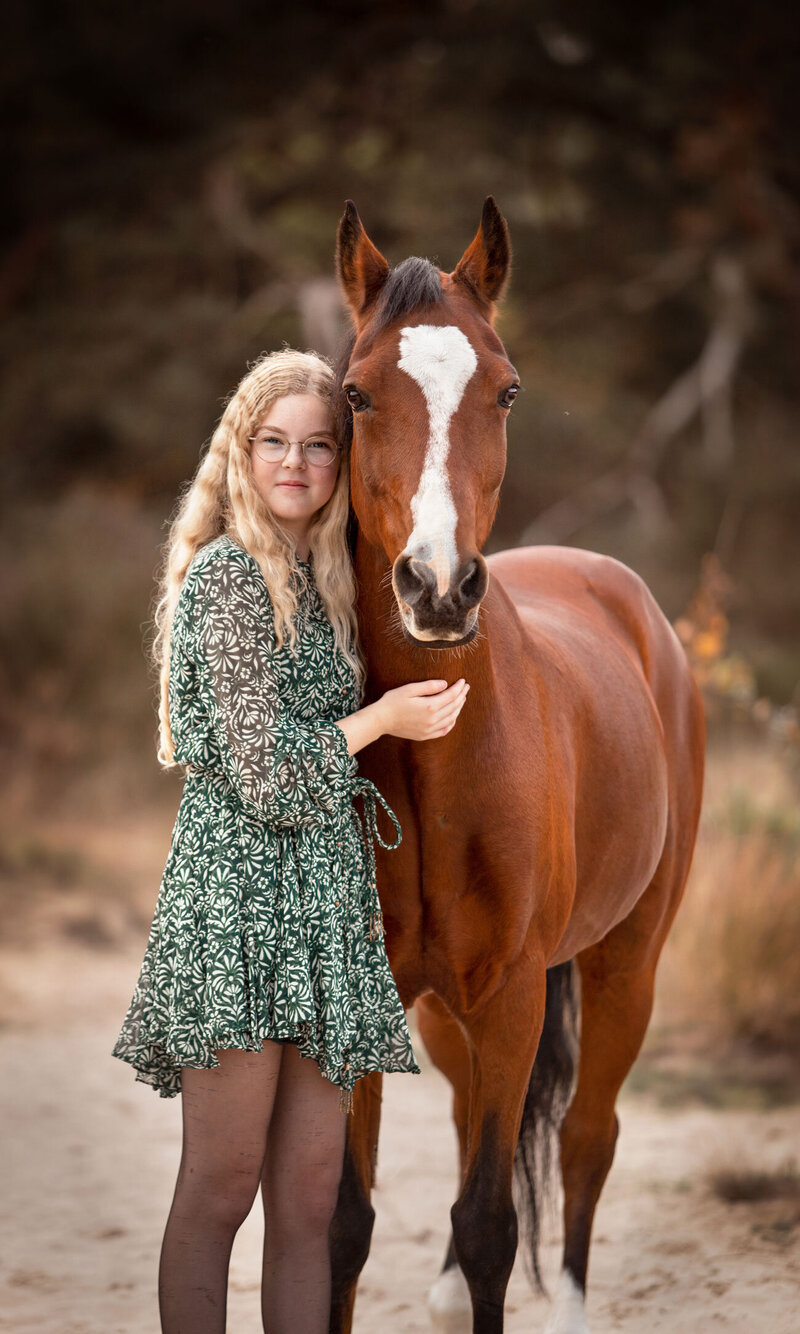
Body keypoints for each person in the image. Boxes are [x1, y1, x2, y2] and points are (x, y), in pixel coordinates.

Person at [111, 348, 469, 1334]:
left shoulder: (330, 587)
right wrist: (382, 720)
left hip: (324, 911)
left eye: (319, 445)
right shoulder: (227, 577)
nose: (297, 463)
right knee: (220, 1188)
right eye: (274, 441)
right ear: (240, 449)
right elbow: (266, 777)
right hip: (234, 910)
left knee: (311, 1204)